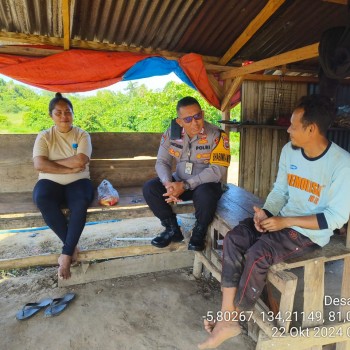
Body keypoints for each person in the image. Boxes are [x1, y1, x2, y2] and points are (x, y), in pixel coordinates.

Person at [198, 94, 350, 349]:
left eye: (293, 125)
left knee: (258, 254)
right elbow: (280, 191)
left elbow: (335, 218)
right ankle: (227, 316)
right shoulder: (290, 151)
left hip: (310, 234)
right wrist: (266, 214)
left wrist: (285, 221)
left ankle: (237, 318)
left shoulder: (342, 164)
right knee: (235, 238)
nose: (288, 129)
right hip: (281, 220)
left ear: (311, 129)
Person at [143, 96, 231, 251]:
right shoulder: (172, 133)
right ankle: (172, 229)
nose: (195, 122)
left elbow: (218, 170)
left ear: (202, 114)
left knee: (207, 194)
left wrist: (185, 185)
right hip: (178, 184)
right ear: (179, 121)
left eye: (197, 116)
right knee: (150, 187)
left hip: (203, 186)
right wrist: (168, 184)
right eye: (188, 119)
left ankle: (199, 232)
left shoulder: (217, 135)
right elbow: (162, 162)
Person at [32, 92, 94, 280]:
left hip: (79, 181)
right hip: (50, 182)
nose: (63, 117)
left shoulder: (82, 134)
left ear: (73, 114)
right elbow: (39, 164)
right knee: (42, 198)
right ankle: (71, 248)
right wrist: (68, 168)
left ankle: (66, 255)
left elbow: (81, 160)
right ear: (51, 116)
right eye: (58, 113)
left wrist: (54, 163)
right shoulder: (44, 136)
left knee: (80, 202)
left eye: (67, 112)